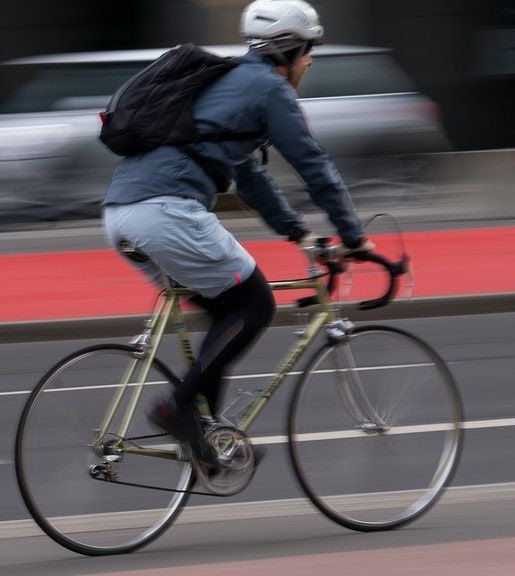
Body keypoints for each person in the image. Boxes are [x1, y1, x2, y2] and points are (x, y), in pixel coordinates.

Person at [102, 0, 373, 462]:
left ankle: (206, 435)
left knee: (225, 310)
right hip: (167, 211)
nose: (309, 61)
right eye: (309, 50)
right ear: (287, 49)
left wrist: (300, 234)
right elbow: (312, 164)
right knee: (254, 304)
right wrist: (353, 237)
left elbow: (251, 179)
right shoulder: (269, 89)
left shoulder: (226, 83)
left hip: (120, 214)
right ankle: (178, 409)